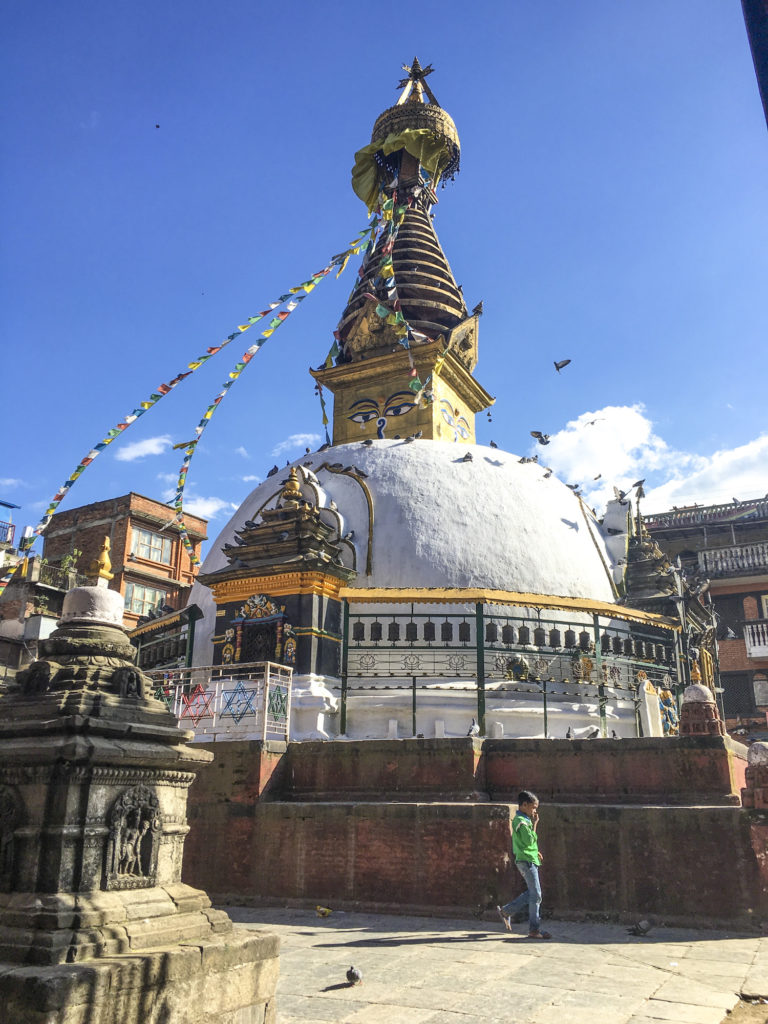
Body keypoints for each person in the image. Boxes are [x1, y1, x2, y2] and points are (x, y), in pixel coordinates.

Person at [497, 790, 551, 939]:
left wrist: (536, 851)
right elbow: (528, 841)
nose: (535, 811)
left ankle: (506, 911)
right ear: (524, 805)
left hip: (529, 858)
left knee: (533, 893)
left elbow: (527, 843)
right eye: (533, 807)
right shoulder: (521, 821)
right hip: (526, 860)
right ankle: (534, 929)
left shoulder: (523, 820)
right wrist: (535, 826)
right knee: (536, 895)